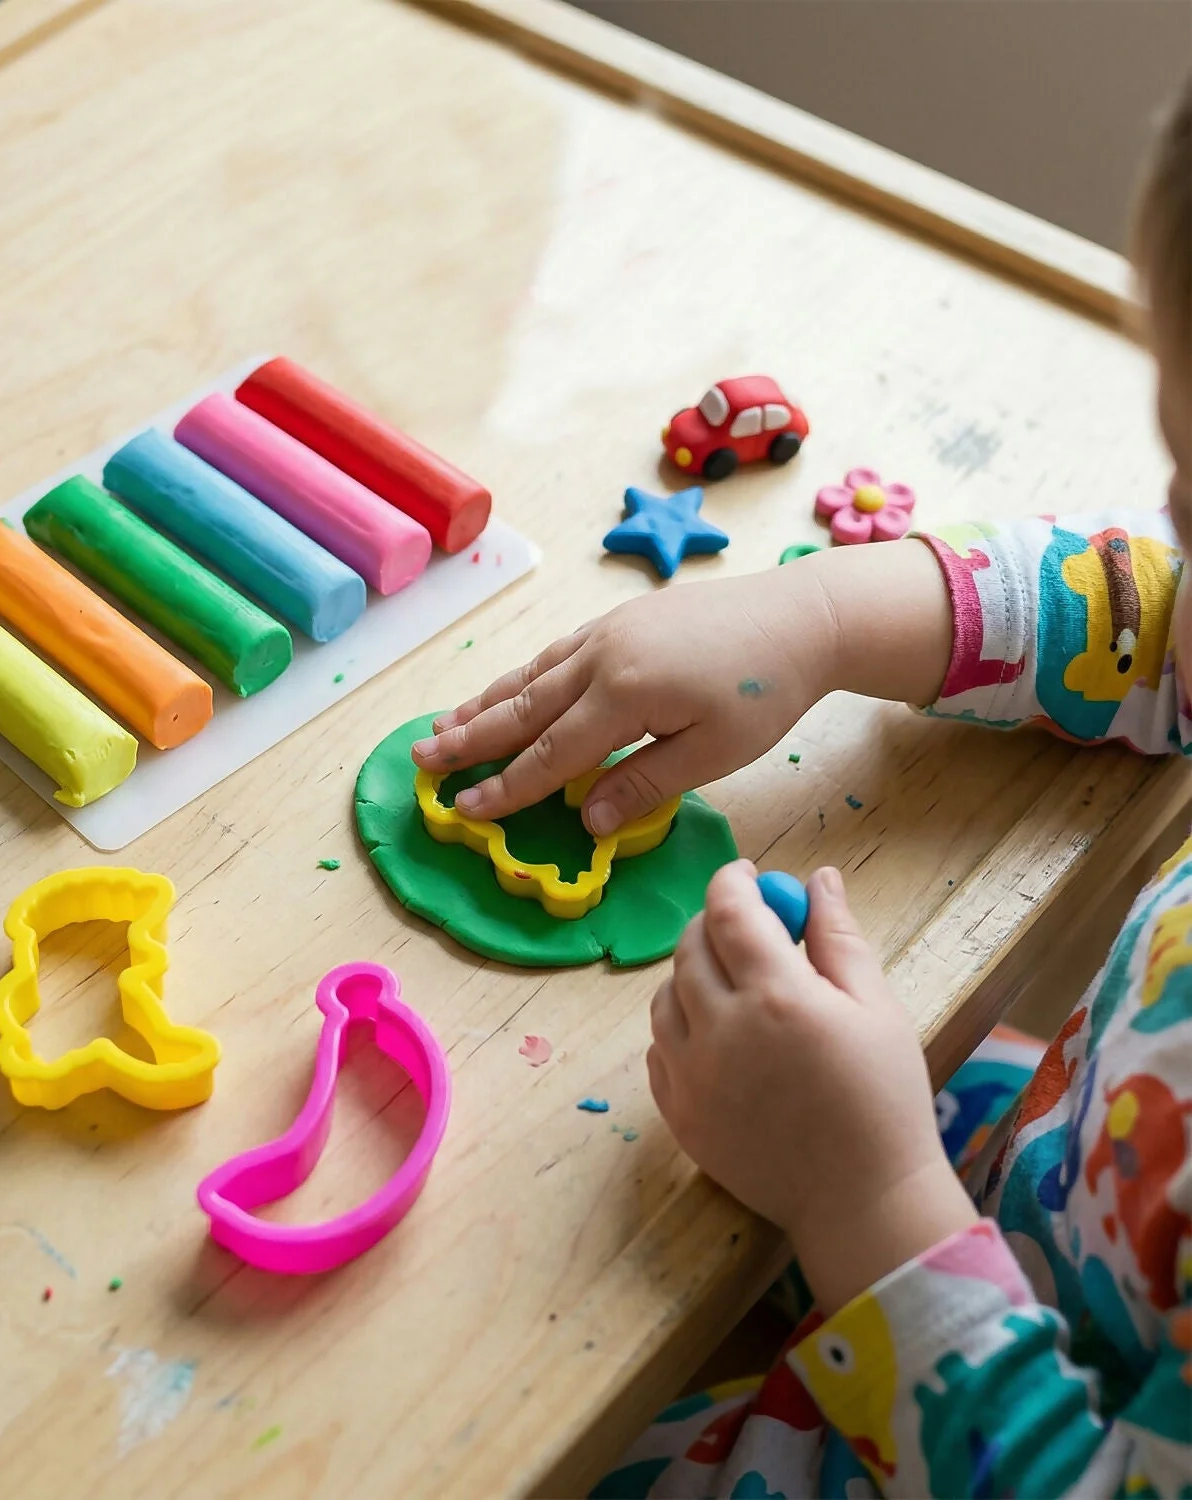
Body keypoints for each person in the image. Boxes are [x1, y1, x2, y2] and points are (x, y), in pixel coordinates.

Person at [412, 76, 1192, 1496]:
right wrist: (827, 615)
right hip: (1038, 1205)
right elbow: (1155, 617)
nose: (1179, 529)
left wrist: (862, 1194)